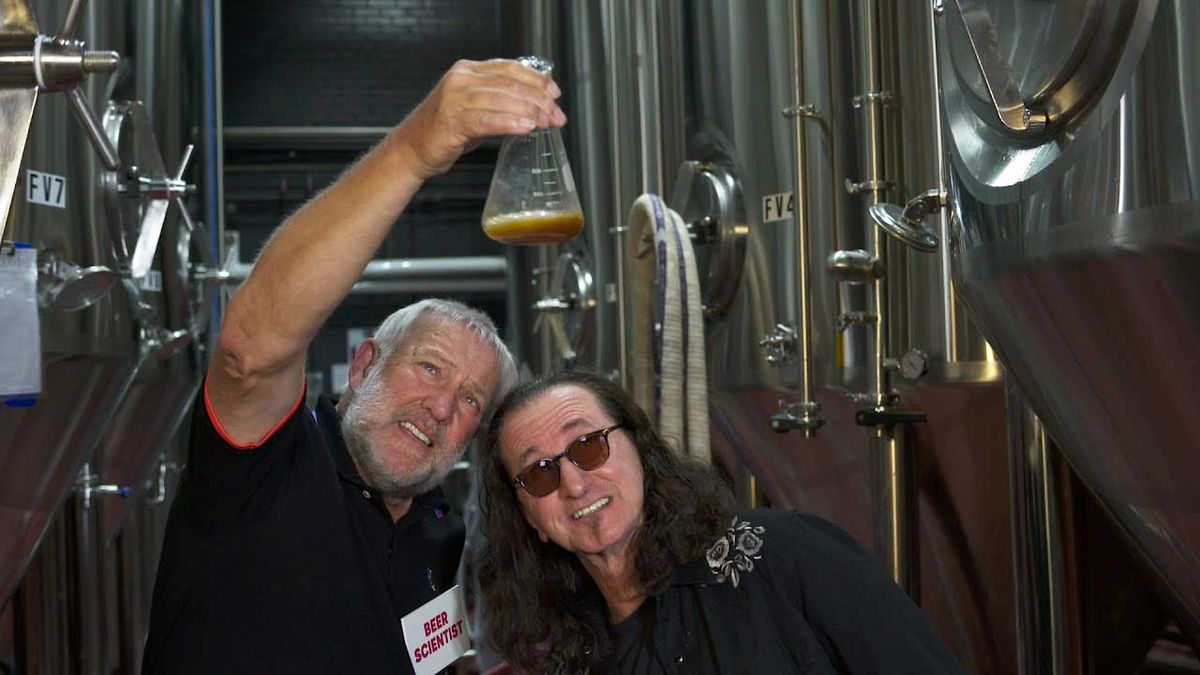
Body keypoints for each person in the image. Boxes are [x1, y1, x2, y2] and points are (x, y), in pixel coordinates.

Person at [142, 59, 565, 674]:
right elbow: (248, 355)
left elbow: (430, 663)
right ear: (366, 364)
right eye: (430, 368)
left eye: (472, 400)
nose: (444, 406)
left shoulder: (437, 526)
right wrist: (417, 148)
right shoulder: (271, 464)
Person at [478, 370, 966, 674]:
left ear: (642, 453)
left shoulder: (782, 555)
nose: (574, 484)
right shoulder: (568, 661)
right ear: (530, 519)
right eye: (539, 472)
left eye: (588, 446)